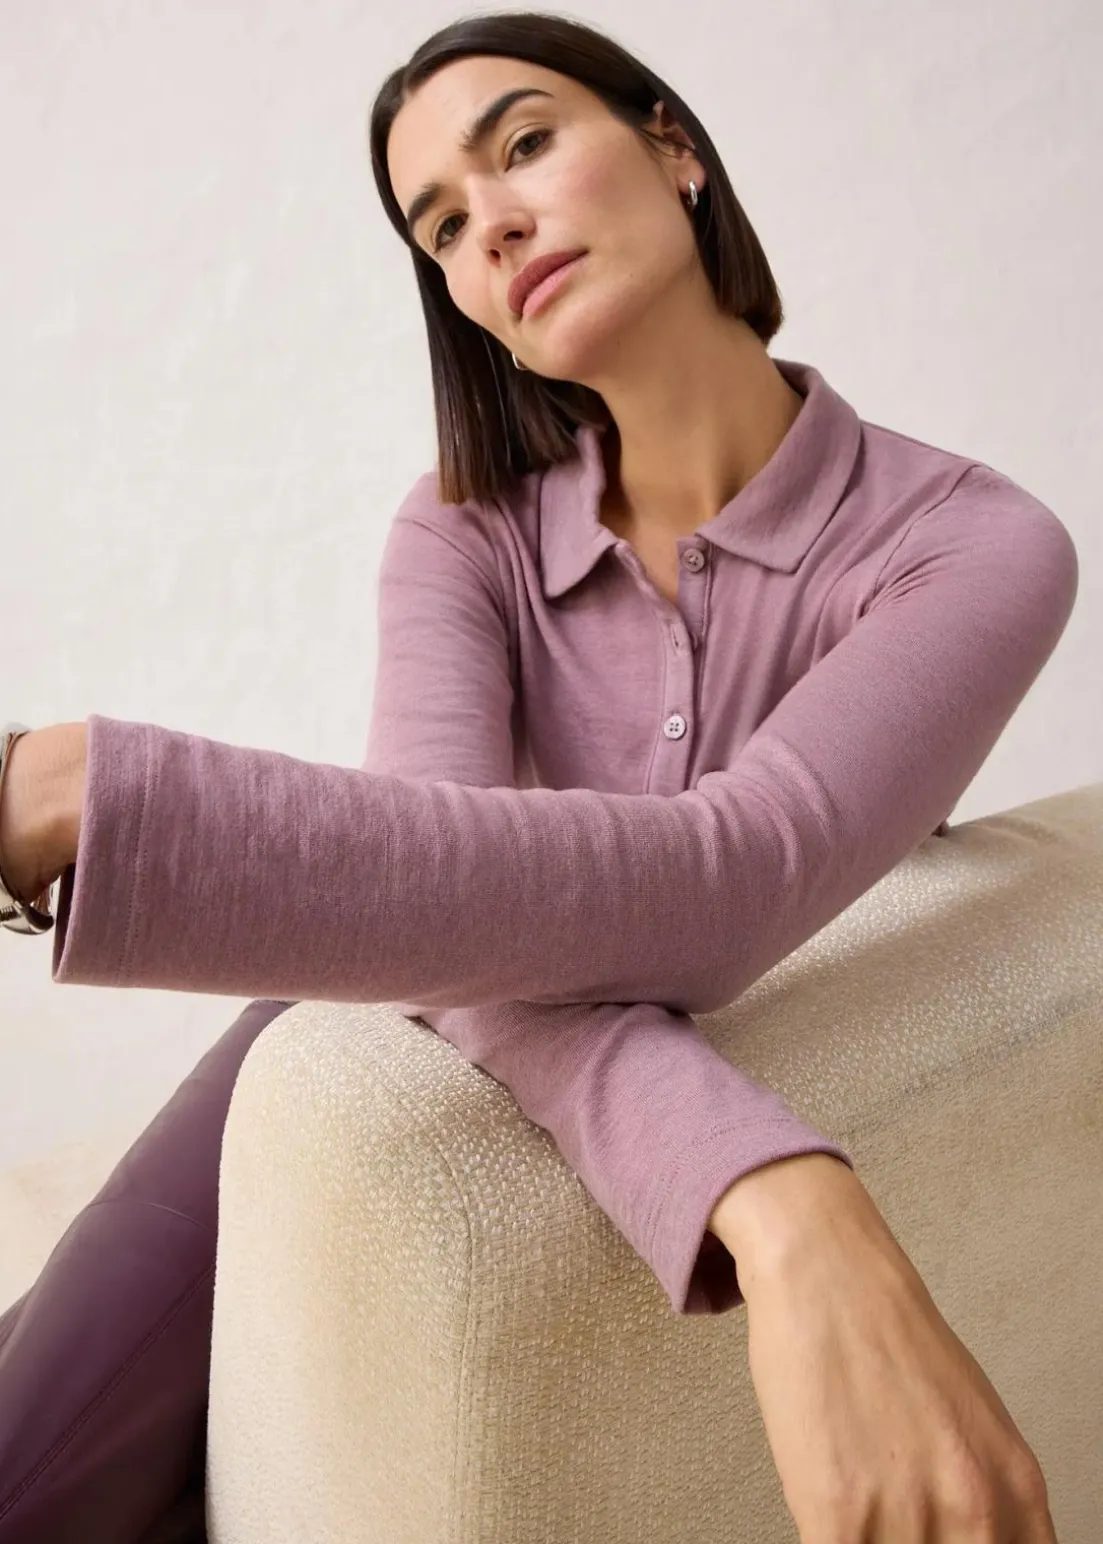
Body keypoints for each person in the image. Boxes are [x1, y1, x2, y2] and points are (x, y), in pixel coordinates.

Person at [0, 11, 1075, 1543]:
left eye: (522, 145)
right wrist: (775, 1195)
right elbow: (419, 940)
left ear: (672, 147)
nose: (490, 225)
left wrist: (79, 790)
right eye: (439, 225)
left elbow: (730, 881)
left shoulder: (970, 547)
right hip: (329, 1072)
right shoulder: (462, 528)